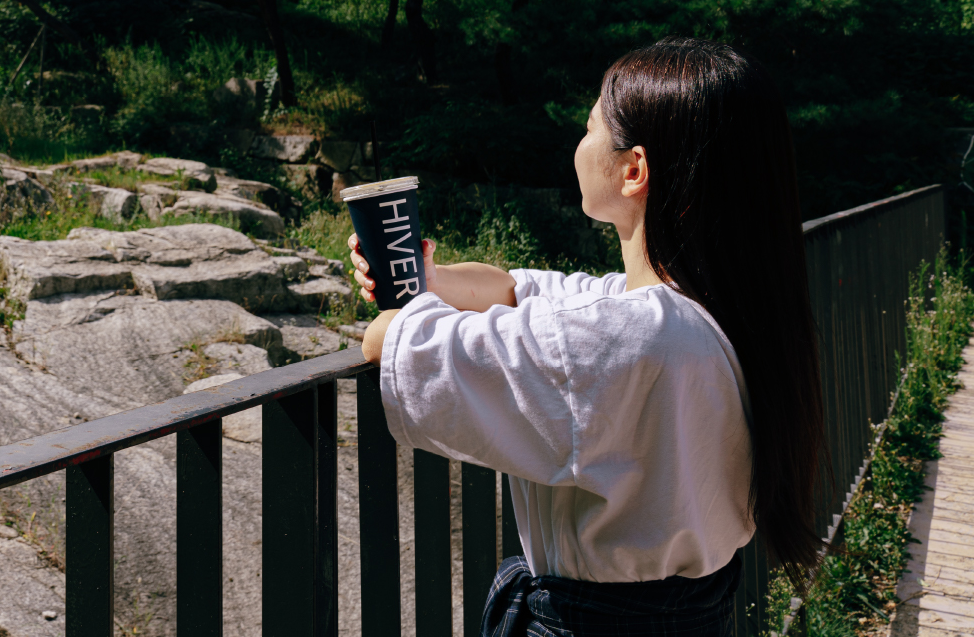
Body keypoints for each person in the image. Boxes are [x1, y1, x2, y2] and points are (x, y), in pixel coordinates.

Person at [351, 38, 824, 637]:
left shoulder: (630, 337)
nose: (579, 145)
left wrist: (401, 309)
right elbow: (516, 292)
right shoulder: (706, 311)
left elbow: (392, 343)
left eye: (590, 127)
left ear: (634, 170)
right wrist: (428, 279)